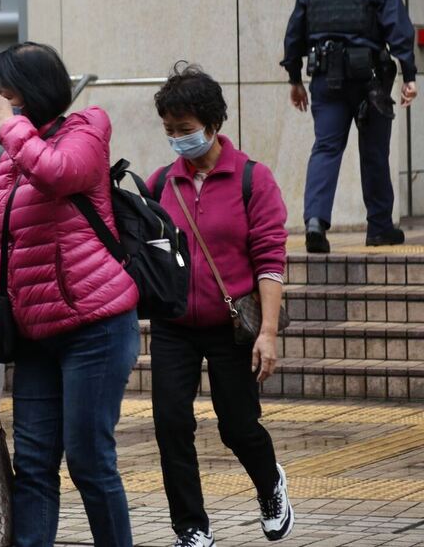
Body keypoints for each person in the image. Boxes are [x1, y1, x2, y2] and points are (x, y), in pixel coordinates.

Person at [0, 43, 139, 547]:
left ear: (32, 91)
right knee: (34, 465)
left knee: (89, 460)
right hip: (34, 332)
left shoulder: (87, 129)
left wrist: (7, 125)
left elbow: (60, 174)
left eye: (6, 91)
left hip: (95, 326)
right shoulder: (9, 157)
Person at [145, 65, 293, 547]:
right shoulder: (160, 183)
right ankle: (191, 527)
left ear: (212, 124)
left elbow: (270, 259)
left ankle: (270, 484)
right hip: (173, 325)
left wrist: (267, 332)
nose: (176, 139)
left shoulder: (253, 179)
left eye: (184, 130)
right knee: (171, 424)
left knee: (237, 426)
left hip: (231, 326)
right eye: (169, 130)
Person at [282, 0, 418, 253]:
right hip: (369, 80)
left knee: (326, 148)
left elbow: (294, 34)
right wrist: (409, 76)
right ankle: (379, 228)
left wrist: (295, 79)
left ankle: (315, 222)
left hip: (326, 80)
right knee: (374, 152)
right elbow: (399, 31)